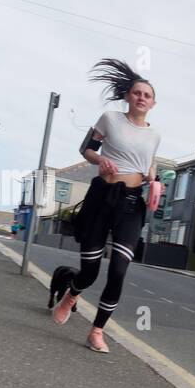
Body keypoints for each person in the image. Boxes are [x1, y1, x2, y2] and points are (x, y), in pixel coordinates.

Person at [51, 58, 162, 353]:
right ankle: (71, 294)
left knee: (118, 272)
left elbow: (148, 166)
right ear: (128, 96)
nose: (141, 98)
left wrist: (156, 181)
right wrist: (100, 159)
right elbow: (86, 149)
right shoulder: (109, 119)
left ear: (153, 103)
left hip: (130, 204)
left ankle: (97, 330)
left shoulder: (154, 135)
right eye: (137, 93)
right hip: (102, 198)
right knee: (90, 272)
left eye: (147, 95)